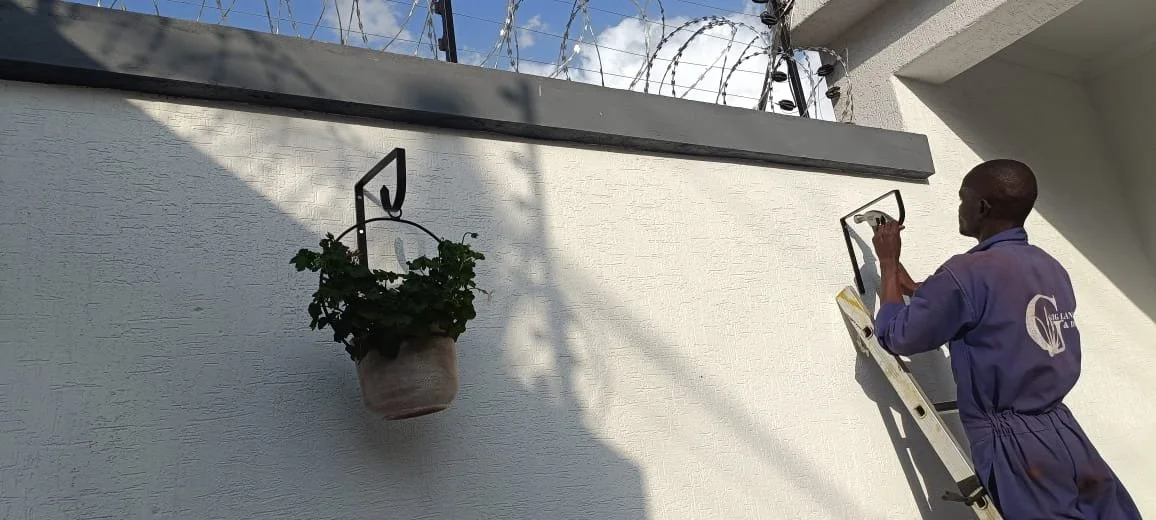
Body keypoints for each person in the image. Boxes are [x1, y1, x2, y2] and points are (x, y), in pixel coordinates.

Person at [870, 159, 1142, 519]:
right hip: (1065, 433)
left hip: (1016, 447)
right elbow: (997, 310)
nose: (959, 207)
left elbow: (897, 336)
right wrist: (918, 290)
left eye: (963, 198)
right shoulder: (1047, 266)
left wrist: (888, 263)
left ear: (982, 207)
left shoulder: (966, 273)